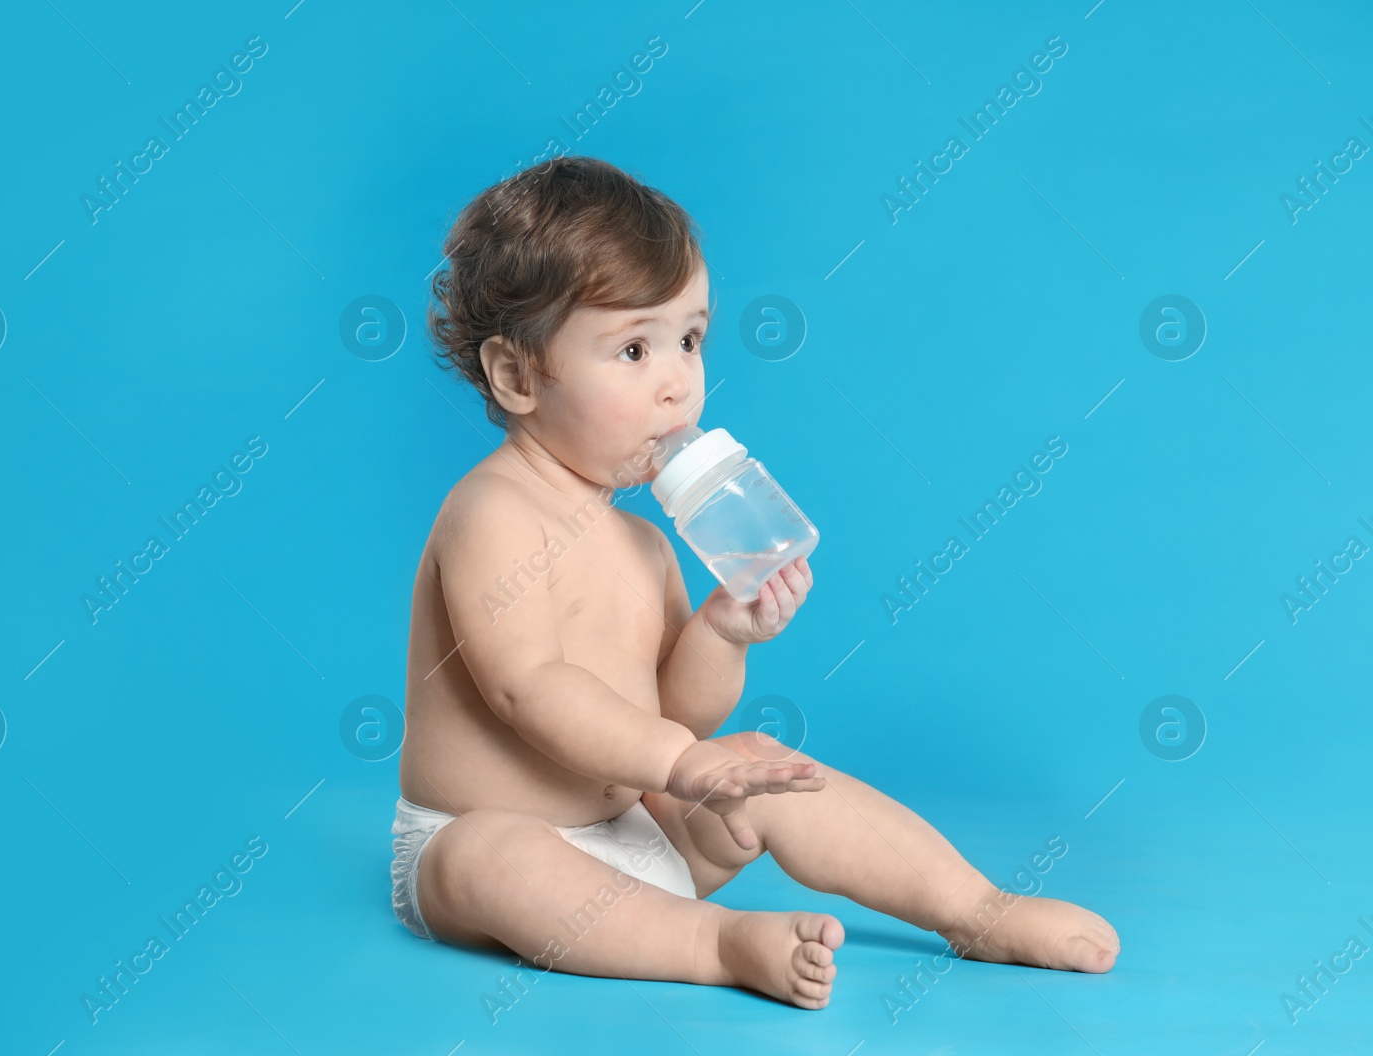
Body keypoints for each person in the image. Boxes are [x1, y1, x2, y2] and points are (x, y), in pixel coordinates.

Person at [391, 155, 1118, 1010]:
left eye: (690, 339)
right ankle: (717, 945)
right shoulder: (492, 514)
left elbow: (674, 716)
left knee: (772, 771)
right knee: (494, 858)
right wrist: (682, 762)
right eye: (632, 348)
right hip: (477, 853)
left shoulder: (643, 543)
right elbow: (528, 691)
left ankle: (975, 907)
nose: (677, 381)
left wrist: (720, 636)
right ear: (517, 376)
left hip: (633, 837)